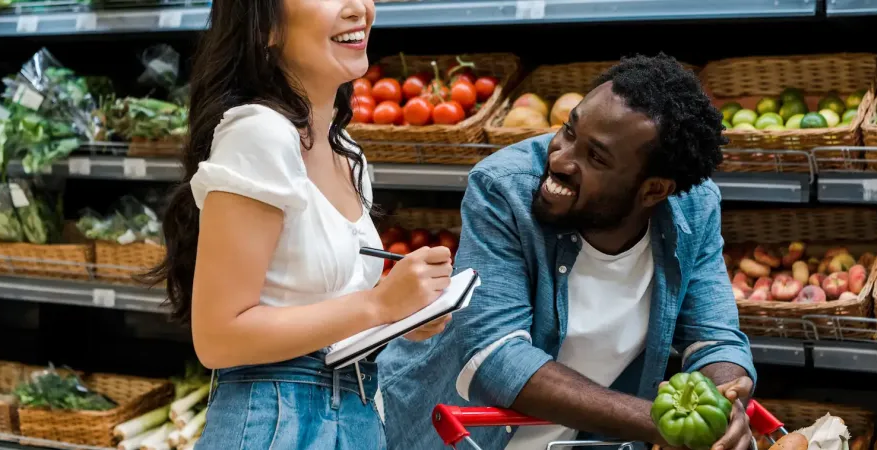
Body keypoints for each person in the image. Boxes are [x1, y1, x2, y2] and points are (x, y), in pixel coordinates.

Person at [378, 53, 756, 450]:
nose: (559, 159)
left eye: (596, 157)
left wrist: (723, 402)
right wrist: (661, 421)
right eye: (569, 131)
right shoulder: (504, 188)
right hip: (436, 434)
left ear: (653, 190)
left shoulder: (693, 209)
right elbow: (495, 356)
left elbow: (715, 339)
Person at [146, 0, 452, 448]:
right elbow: (217, 337)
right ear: (265, 27)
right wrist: (377, 306)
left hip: (353, 412)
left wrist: (398, 317)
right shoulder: (258, 134)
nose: (359, 8)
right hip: (277, 422)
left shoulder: (345, 152)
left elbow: (319, 308)